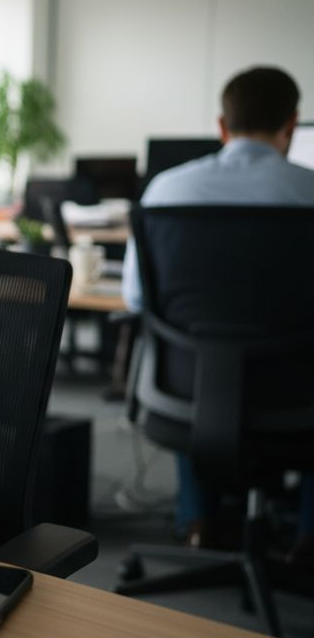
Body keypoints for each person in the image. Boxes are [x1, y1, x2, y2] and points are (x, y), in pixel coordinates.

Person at [121, 66, 314, 564]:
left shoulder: (165, 190)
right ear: (291, 126)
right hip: (297, 399)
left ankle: (198, 522)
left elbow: (136, 301)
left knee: (197, 353)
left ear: (222, 126)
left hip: (183, 395)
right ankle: (309, 538)